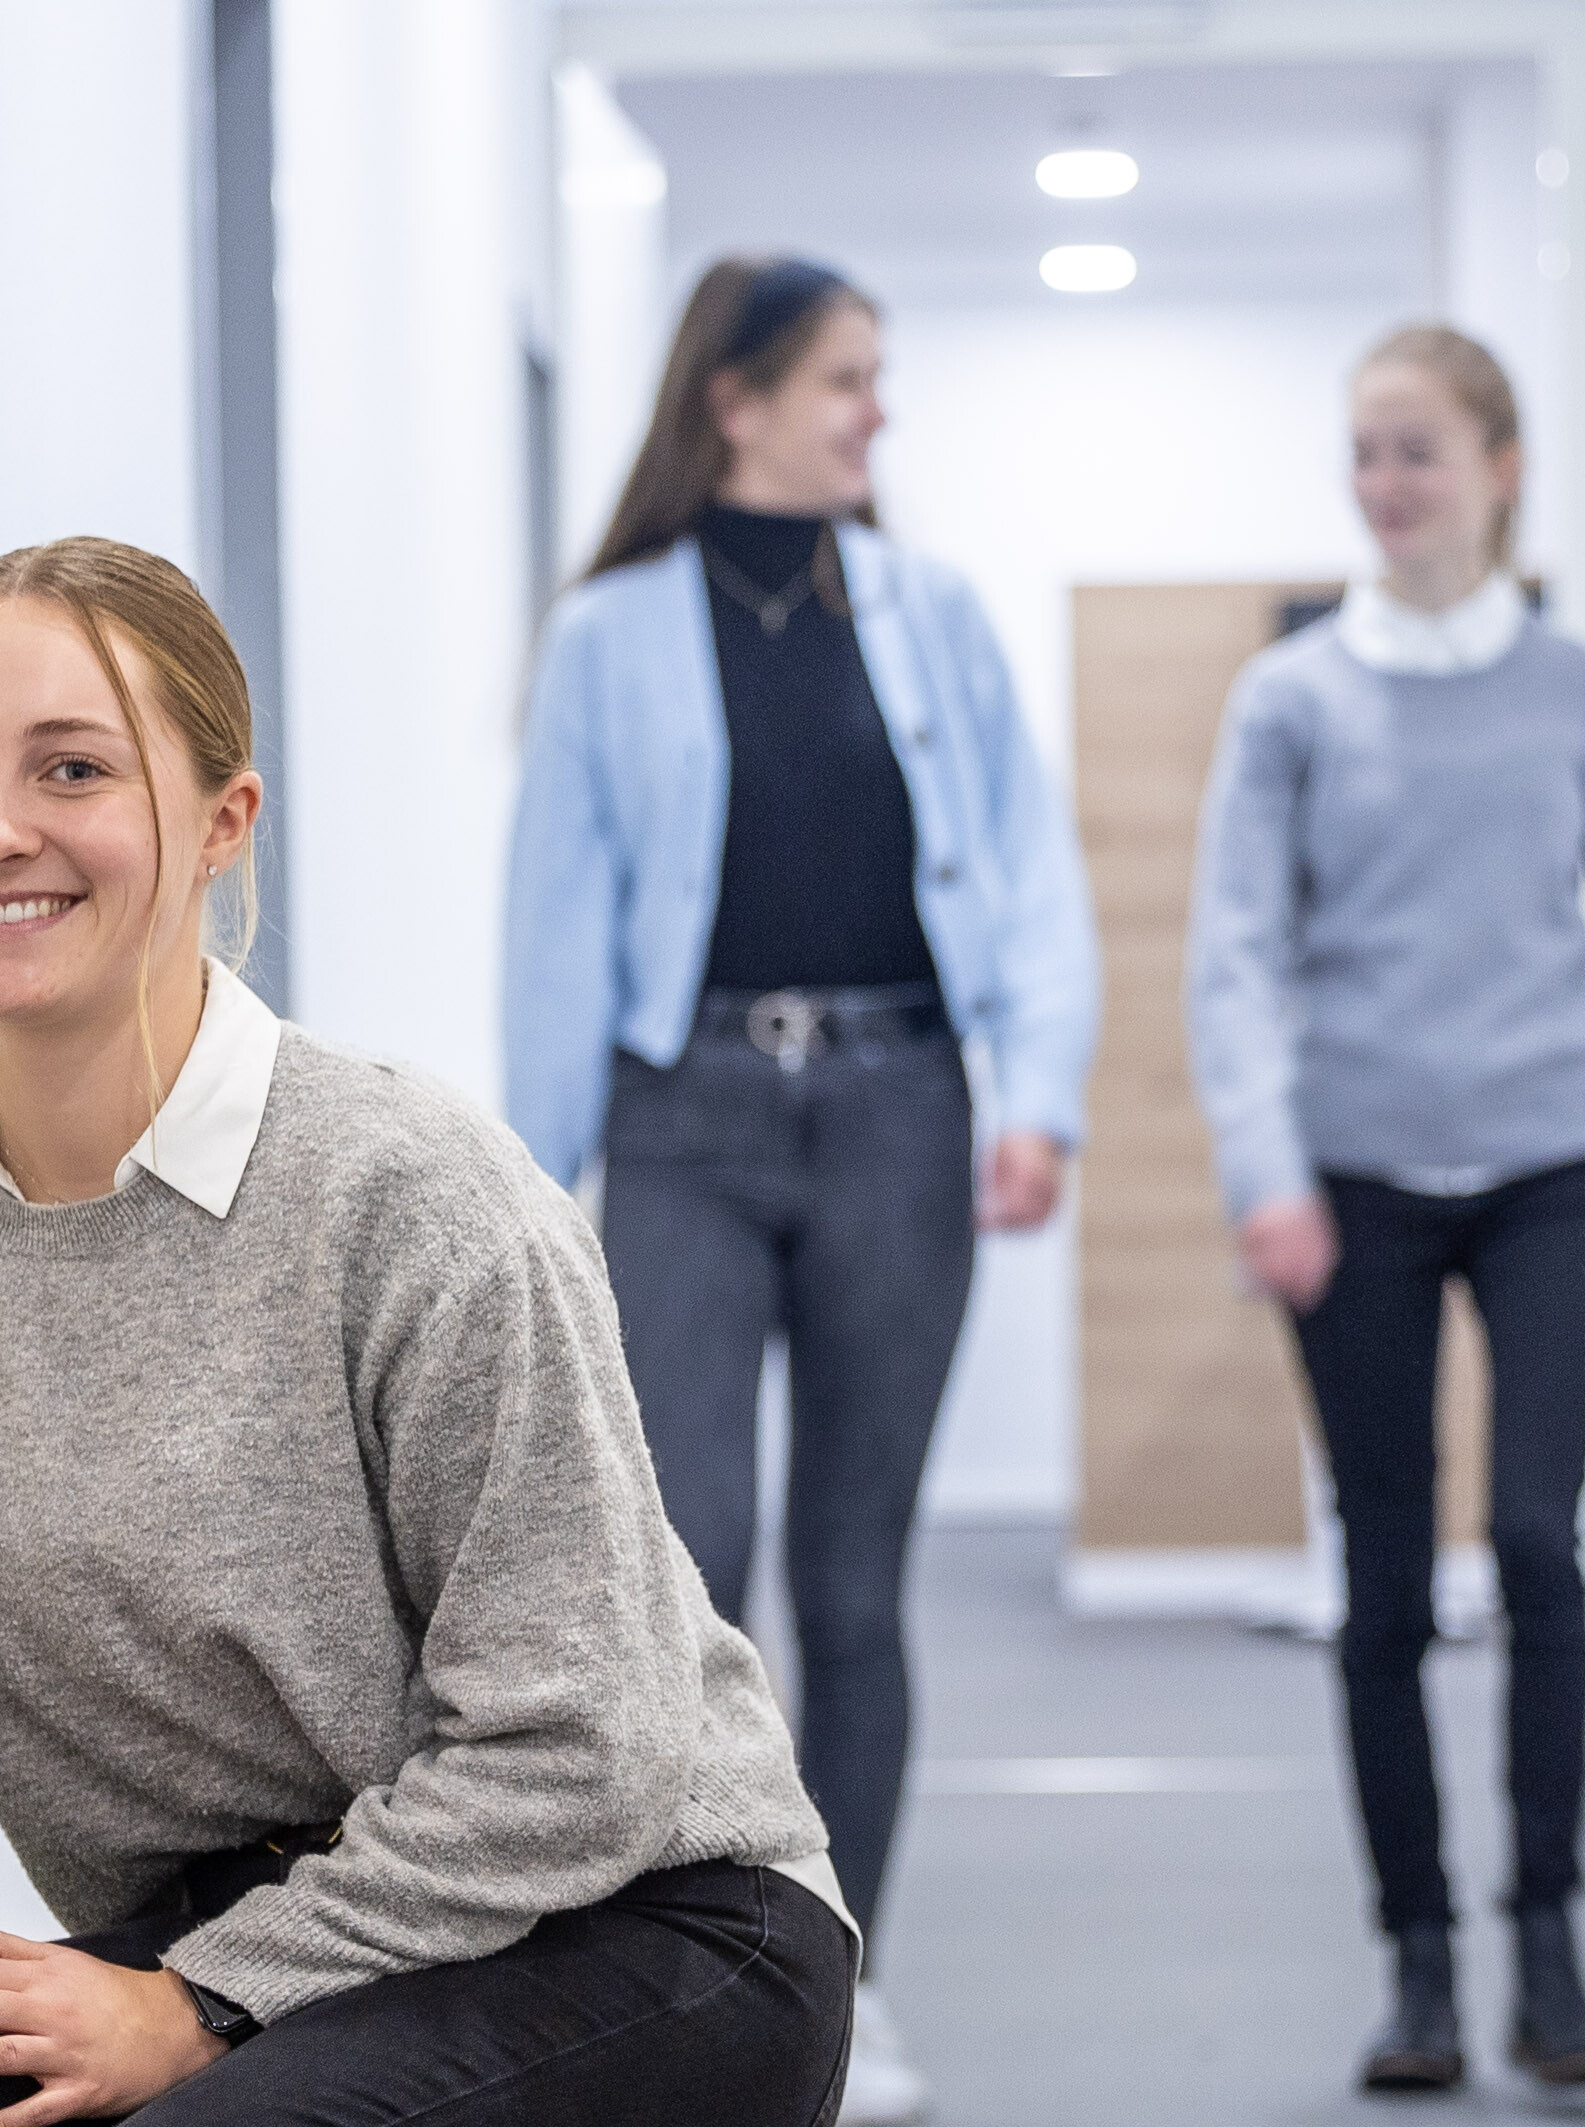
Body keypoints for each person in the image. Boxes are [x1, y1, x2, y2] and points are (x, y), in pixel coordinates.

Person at [0, 537, 858, 2127]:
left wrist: (200, 2003)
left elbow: (580, 1752)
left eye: (72, 769)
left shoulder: (415, 1198)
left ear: (225, 822)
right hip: (239, 1933)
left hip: (637, 1921)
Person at [496, 252, 1096, 2127]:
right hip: (682, 1120)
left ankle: (847, 1990)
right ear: (736, 398)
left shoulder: (933, 613)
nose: (875, 413)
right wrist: (530, 1185)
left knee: (854, 1577)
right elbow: (558, 921)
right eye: (847, 378)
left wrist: (1040, 1092)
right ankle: (696, 1990)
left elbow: (1028, 868)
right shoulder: (609, 635)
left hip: (900, 1107)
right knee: (690, 1566)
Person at [1183, 325, 1585, 2094]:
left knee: (1537, 1543)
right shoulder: (1292, 701)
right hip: (1353, 1181)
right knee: (1385, 1579)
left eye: (1418, 449)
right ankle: (1420, 1968)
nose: (1386, 483)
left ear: (1501, 468)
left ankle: (1552, 1955)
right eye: (1365, 450)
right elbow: (1234, 960)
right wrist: (1268, 1175)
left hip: (1555, 1166)